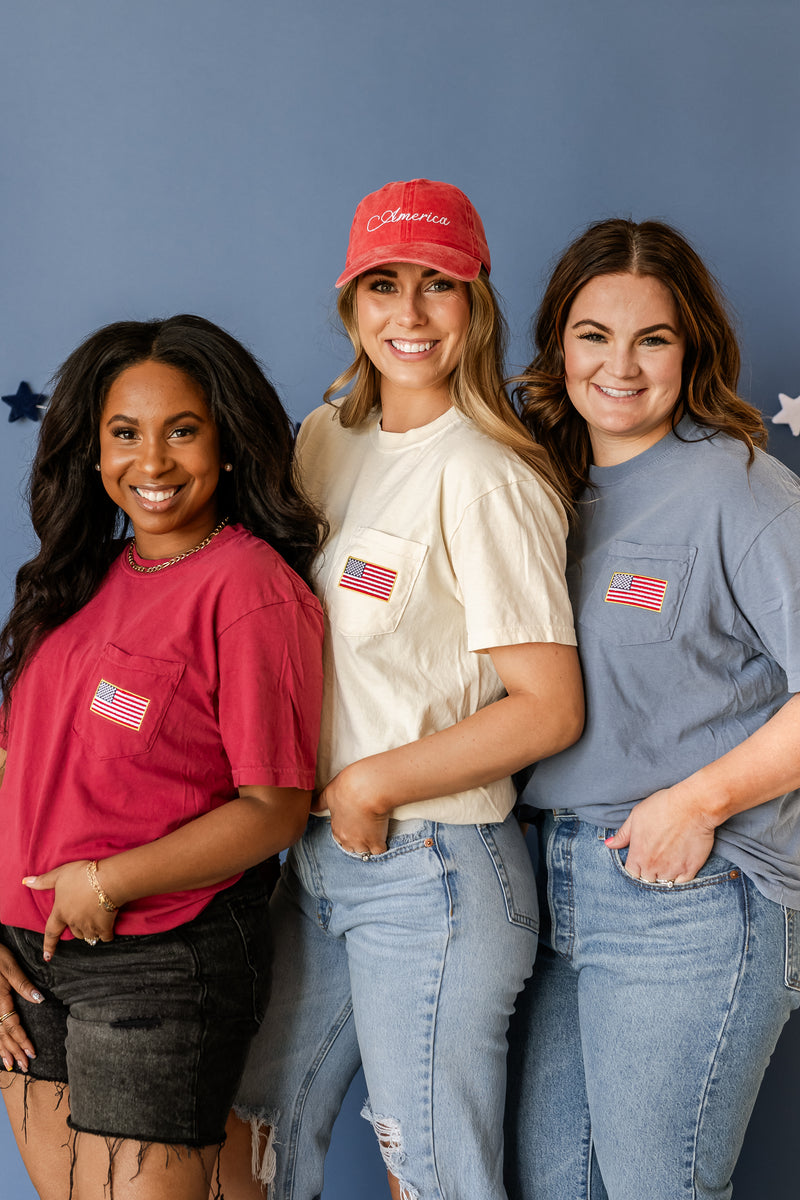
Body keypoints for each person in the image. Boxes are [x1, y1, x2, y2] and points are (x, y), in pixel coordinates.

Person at [220, 179, 584, 1200]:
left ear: (475, 303)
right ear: (350, 303)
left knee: (432, 1181)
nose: (409, 315)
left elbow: (548, 706)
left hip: (431, 872)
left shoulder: (487, 474)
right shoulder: (323, 437)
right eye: (384, 285)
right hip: (316, 866)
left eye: (437, 286)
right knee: (249, 1141)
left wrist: (373, 782)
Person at [504, 218, 800, 1200]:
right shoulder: (543, 486)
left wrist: (698, 802)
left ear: (692, 349)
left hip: (691, 895)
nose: (618, 366)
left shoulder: (737, 492)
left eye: (651, 338)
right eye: (592, 334)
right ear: (558, 343)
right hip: (550, 891)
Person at [0, 314, 325, 1200]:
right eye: (125, 434)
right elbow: (12, 769)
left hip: (158, 962)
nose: (153, 462)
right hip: (28, 964)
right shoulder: (75, 583)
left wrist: (106, 882)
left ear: (227, 445)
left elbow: (274, 809)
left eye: (182, 431)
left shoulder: (250, 589)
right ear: (94, 454)